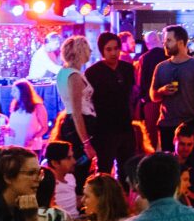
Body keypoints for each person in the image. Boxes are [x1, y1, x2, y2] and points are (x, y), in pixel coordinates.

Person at [149, 25, 194, 153]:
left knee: (189, 166)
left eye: (168, 40)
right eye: (164, 41)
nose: (165, 44)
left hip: (189, 124)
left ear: (180, 42)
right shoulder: (161, 67)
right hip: (166, 124)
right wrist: (162, 91)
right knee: (168, 166)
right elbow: (153, 96)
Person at [85, 31, 138, 176]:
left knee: (127, 170)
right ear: (102, 50)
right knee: (104, 170)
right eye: (109, 49)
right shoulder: (93, 72)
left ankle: (125, 197)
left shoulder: (127, 69)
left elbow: (132, 94)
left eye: (116, 48)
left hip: (125, 125)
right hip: (104, 128)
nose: (114, 53)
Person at [55, 35, 98, 174]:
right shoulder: (74, 76)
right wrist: (86, 143)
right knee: (81, 169)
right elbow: (76, 112)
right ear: (81, 51)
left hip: (73, 123)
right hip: (79, 125)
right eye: (88, 49)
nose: (90, 52)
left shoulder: (64, 72)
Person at [137, 30, 167, 152]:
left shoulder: (144, 58)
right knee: (166, 129)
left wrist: (143, 98)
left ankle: (153, 155)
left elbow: (142, 80)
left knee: (151, 131)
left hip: (151, 98)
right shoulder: (167, 55)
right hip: (168, 98)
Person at [5, 79, 48, 151]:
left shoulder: (38, 107)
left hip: (31, 147)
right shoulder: (15, 106)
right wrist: (6, 128)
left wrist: (33, 139)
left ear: (23, 92)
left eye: (15, 91)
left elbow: (44, 128)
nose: (12, 94)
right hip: (14, 145)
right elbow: (13, 125)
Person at [42, 140, 80, 220]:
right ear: (55, 163)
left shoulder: (71, 177)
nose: (74, 161)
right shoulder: (48, 184)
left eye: (73, 157)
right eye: (69, 158)